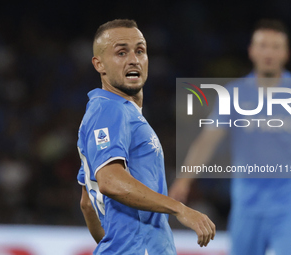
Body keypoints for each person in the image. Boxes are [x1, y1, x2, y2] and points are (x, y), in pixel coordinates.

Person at [170, 19, 291, 255]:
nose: (269, 53)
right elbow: (207, 141)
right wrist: (184, 179)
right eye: (263, 45)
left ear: (286, 53)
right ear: (252, 51)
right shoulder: (233, 94)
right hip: (246, 203)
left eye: (275, 46)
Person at [76, 19, 215, 255]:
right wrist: (180, 209)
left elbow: (87, 204)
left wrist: (115, 246)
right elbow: (110, 181)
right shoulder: (110, 109)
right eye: (121, 52)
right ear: (99, 64)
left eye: (140, 50)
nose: (133, 59)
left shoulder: (121, 113)